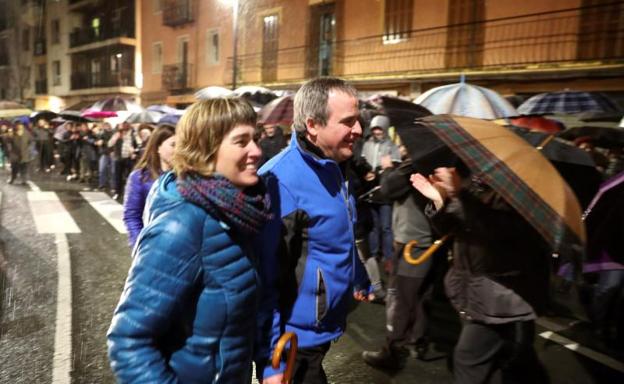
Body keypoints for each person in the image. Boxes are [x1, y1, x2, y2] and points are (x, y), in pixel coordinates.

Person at [107, 98, 272, 382]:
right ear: (207, 148)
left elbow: (243, 312)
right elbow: (128, 340)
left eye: (255, 138)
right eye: (241, 141)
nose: (256, 151)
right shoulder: (181, 225)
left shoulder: (239, 211)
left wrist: (266, 363)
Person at [257, 77, 369, 384]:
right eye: (348, 122)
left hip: (321, 330)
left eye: (357, 120)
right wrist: (271, 362)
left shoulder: (336, 165)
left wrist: (358, 277)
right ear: (313, 125)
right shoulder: (278, 181)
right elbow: (265, 280)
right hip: (294, 342)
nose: (358, 130)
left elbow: (338, 234)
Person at [411, 166, 550, 384]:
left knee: (469, 359)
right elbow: (454, 230)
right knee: (491, 362)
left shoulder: (524, 194)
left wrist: (459, 195)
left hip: (499, 295)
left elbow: (495, 231)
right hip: (472, 289)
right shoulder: (480, 184)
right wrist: (440, 200)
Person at [362, 149, 437, 370]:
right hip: (429, 241)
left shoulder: (415, 163)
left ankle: (392, 351)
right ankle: (417, 341)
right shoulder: (440, 161)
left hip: (412, 244)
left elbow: (388, 189)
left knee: (400, 299)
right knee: (421, 296)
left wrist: (388, 168)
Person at [122, 125, 175, 248]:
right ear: (158, 147)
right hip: (151, 247)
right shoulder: (140, 177)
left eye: (181, 145)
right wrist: (140, 246)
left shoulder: (186, 176)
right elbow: (132, 216)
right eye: (173, 145)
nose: (178, 150)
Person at [360, 115, 401, 273]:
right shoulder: (367, 144)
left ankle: (388, 257)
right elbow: (363, 163)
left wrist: (387, 168)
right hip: (371, 191)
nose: (377, 132)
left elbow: (395, 167)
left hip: (385, 192)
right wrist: (367, 173)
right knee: (373, 227)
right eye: (375, 129)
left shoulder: (392, 146)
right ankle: (374, 255)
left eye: (379, 129)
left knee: (386, 227)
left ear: (384, 129)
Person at [4, 120, 33, 185]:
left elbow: (31, 141)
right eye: (17, 125)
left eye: (20, 125)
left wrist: (29, 149)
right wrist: (9, 136)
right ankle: (13, 178)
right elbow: (7, 141)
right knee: (14, 168)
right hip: (15, 154)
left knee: (24, 168)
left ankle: (24, 180)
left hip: (24, 153)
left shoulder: (27, 133)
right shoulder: (12, 133)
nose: (19, 126)